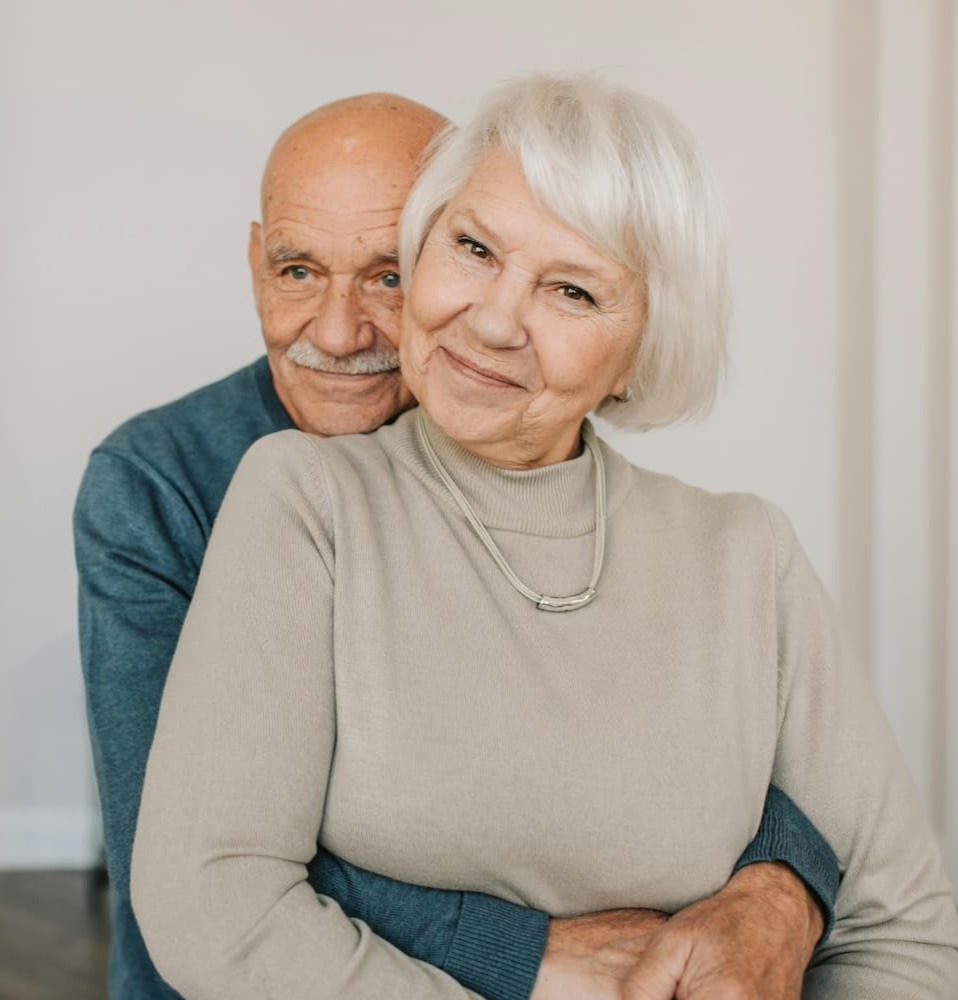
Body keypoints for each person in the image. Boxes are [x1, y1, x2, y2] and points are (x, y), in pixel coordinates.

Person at [77, 91, 840, 1000]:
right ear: (253, 264)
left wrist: (780, 886)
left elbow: (689, 750)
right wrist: (527, 949)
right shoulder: (154, 483)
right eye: (296, 271)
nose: (336, 332)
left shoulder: (541, 461)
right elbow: (194, 866)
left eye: (387, 275)